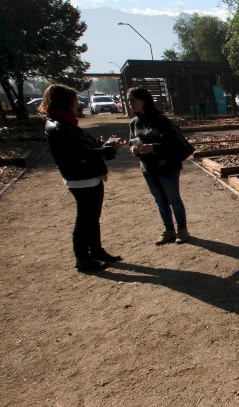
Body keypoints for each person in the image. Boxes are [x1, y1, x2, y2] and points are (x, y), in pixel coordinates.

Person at [42, 84, 126, 272]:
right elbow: (85, 153)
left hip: (87, 176)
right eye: (74, 101)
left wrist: (105, 145)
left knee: (92, 217)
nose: (77, 105)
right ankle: (82, 258)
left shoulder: (64, 123)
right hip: (81, 178)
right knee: (85, 219)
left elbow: (87, 145)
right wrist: (110, 149)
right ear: (67, 103)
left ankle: (96, 250)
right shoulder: (59, 127)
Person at [127, 87, 190, 245]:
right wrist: (134, 149)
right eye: (129, 101)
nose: (131, 103)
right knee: (159, 200)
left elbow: (173, 143)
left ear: (144, 100)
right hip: (148, 167)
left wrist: (154, 147)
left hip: (167, 166)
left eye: (134, 100)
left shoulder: (161, 120)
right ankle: (169, 230)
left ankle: (182, 230)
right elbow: (131, 141)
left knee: (173, 199)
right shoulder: (134, 123)